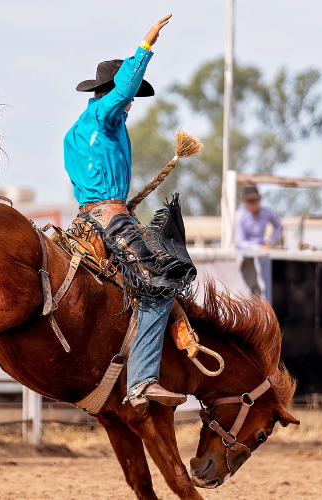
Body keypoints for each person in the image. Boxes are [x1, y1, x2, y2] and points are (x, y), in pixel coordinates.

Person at [64, 14, 193, 410]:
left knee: (154, 273)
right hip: (110, 219)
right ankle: (141, 380)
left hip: (91, 217)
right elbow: (123, 90)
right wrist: (146, 46)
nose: (131, 103)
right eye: (127, 96)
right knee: (158, 285)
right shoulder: (104, 116)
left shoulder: (78, 130)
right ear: (110, 92)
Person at [234, 185, 282, 302]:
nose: (253, 203)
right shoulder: (240, 215)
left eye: (254, 200)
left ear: (259, 200)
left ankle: (265, 312)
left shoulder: (267, 212)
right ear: (245, 202)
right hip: (247, 256)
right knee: (251, 288)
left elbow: (278, 226)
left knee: (265, 285)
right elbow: (239, 242)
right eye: (250, 201)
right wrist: (259, 247)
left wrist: (270, 242)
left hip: (263, 255)